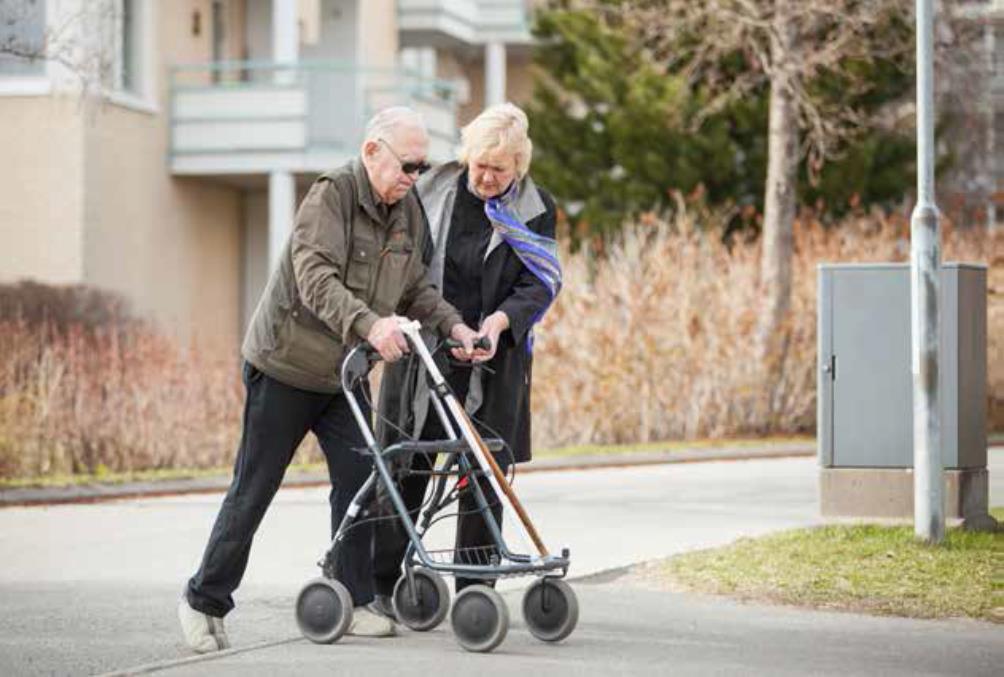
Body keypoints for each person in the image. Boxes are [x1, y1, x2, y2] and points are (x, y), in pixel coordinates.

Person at [177, 107, 479, 653]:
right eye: (407, 165)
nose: (414, 177)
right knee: (254, 489)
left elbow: (414, 288)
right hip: (285, 366)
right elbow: (314, 277)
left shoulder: (407, 207)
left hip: (343, 376)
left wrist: (454, 324)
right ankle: (203, 601)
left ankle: (354, 597)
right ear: (372, 152)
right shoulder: (331, 195)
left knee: (362, 484)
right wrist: (370, 324)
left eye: (421, 166)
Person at [372, 103, 561, 612]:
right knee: (406, 465)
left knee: (482, 475)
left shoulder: (536, 207)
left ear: (518, 167)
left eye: (498, 169)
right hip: (423, 354)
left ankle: (475, 595)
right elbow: (404, 267)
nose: (485, 176)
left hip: (493, 360)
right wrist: (441, 325)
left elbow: (538, 283)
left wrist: (498, 324)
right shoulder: (431, 190)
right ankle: (383, 583)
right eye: (478, 163)